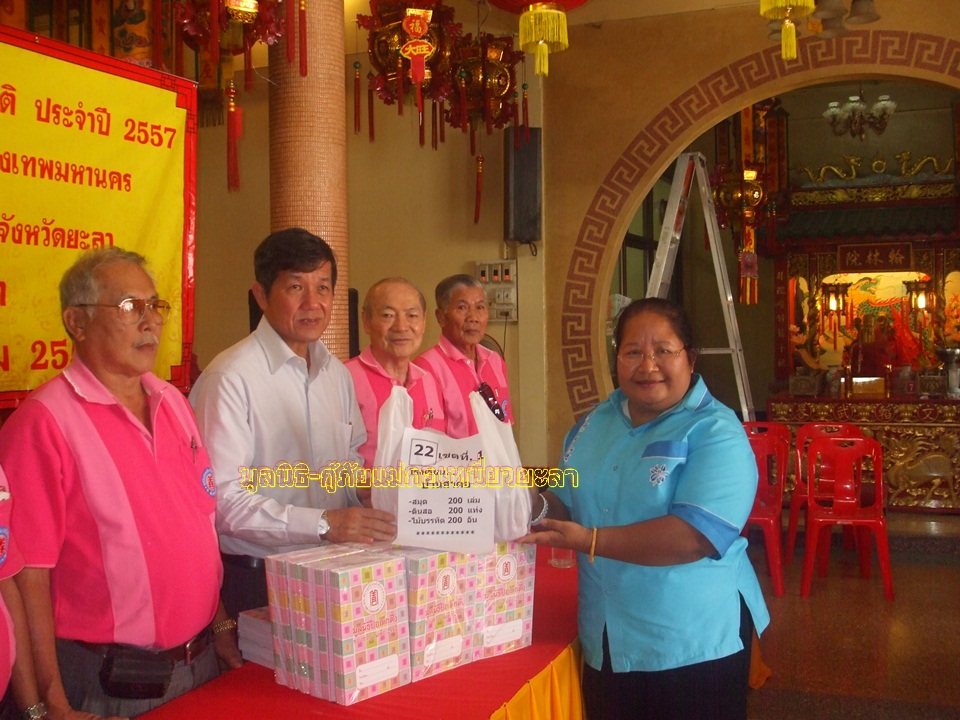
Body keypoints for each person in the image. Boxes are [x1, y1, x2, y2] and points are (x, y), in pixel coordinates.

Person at [0, 247, 239, 719]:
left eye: (155, 305)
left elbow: (197, 526)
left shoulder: (172, 401)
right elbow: (27, 581)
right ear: (77, 321)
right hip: (108, 685)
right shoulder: (43, 423)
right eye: (130, 307)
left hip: (201, 663)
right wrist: (47, 703)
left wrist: (221, 625)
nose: (151, 321)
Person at [521, 297, 769, 720]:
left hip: (691, 641)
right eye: (633, 352)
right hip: (607, 635)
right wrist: (528, 501)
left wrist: (589, 540)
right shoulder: (593, 424)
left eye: (663, 351)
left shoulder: (716, 431)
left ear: (690, 358)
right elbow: (567, 499)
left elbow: (695, 537)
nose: (647, 365)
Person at [189, 228, 396, 617]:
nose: (313, 303)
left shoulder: (336, 375)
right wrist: (323, 524)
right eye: (296, 287)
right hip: (257, 579)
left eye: (323, 287)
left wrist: (366, 492)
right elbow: (223, 502)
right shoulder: (230, 377)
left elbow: (347, 464)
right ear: (261, 295)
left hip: (331, 569)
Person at [345, 278, 446, 468]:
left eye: (412, 315)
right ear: (366, 321)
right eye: (388, 315)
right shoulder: (345, 379)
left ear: (424, 322)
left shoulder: (429, 381)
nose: (401, 327)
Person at [414, 274, 512, 438]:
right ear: (441, 317)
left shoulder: (495, 361)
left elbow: (505, 425)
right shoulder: (425, 369)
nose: (473, 318)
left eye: (480, 307)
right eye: (462, 307)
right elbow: (430, 441)